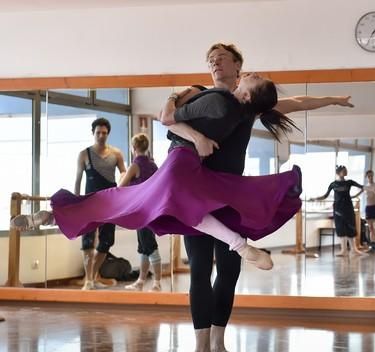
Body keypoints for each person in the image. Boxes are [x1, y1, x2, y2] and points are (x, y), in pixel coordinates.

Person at [162, 43, 355, 352]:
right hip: (199, 194)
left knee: (229, 270)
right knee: (198, 269)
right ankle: (199, 351)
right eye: (211, 60)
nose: (215, 64)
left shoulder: (248, 103)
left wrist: (333, 100)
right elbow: (169, 122)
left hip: (230, 193)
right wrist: (195, 136)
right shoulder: (201, 96)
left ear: (238, 67)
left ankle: (218, 348)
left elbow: (296, 102)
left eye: (221, 59)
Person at [11, 74, 301, 290]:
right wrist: (333, 100)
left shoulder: (219, 100)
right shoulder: (240, 113)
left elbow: (168, 118)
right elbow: (294, 103)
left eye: (255, 79)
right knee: (132, 202)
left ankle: (240, 246)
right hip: (186, 167)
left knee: (123, 200)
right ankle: (52, 215)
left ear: (248, 95)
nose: (251, 74)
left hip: (179, 163)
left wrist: (179, 95)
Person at [78, 118, 126, 290]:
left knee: (106, 242)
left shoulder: (117, 154)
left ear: (108, 134)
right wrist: (76, 203)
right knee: (87, 243)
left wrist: (123, 195)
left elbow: (124, 175)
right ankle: (88, 280)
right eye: (98, 133)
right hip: (89, 204)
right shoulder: (84, 154)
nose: (101, 136)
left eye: (104, 133)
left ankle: (93, 275)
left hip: (109, 204)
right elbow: (77, 181)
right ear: (93, 133)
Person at [117, 134, 163, 292]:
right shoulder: (153, 164)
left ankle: (157, 282)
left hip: (142, 211)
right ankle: (141, 280)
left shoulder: (135, 165)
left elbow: (120, 188)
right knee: (144, 246)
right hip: (152, 209)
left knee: (149, 246)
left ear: (133, 148)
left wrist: (122, 176)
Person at [310, 165, 365, 256]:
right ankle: (343, 250)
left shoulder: (349, 182)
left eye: (346, 170)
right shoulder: (333, 184)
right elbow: (325, 195)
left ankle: (354, 249)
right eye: (343, 170)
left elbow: (363, 187)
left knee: (350, 227)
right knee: (340, 228)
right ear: (338, 172)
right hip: (338, 208)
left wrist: (355, 196)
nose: (345, 171)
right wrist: (315, 199)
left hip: (348, 207)